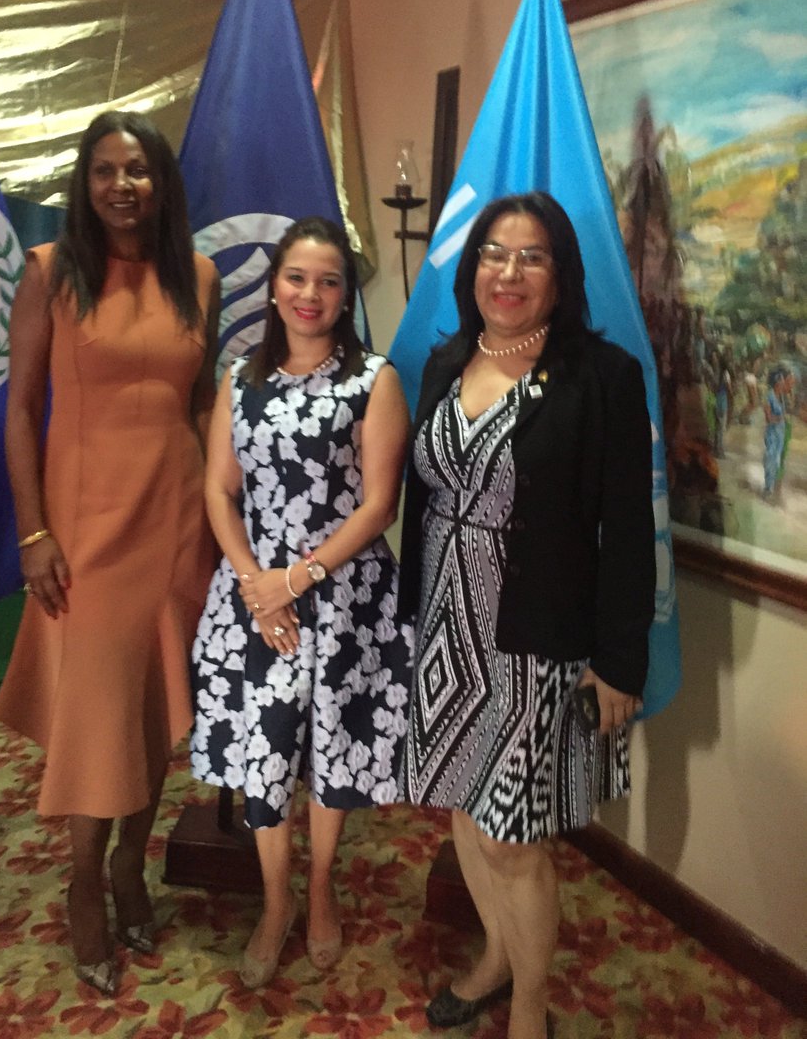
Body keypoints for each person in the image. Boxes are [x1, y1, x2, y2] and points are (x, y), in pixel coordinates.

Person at [397, 192, 655, 1039]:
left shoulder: (601, 377)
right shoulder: (446, 360)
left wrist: (619, 661)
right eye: (494, 254)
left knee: (514, 837)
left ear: (561, 274)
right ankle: (496, 961)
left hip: (533, 643)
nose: (508, 272)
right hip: (447, 631)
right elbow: (424, 498)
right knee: (464, 812)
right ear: (473, 268)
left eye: (532, 256)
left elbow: (628, 530)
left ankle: (531, 1005)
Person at [0, 111, 220, 995]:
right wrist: (33, 532)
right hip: (87, 532)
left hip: (177, 527)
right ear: (84, 184)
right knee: (97, 719)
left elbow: (200, 404)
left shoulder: (198, 275)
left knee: (153, 706)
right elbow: (20, 412)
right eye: (105, 170)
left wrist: (229, 514)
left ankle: (133, 863)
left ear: (161, 183)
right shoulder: (51, 271)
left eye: (138, 170)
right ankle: (84, 882)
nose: (122, 186)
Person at [190, 216, 413, 988]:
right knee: (266, 751)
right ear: (274, 286)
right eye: (296, 278)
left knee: (330, 748)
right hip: (256, 601)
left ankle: (320, 890)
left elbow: (379, 505)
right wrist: (258, 584)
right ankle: (275, 902)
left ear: (346, 294)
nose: (309, 293)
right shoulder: (239, 380)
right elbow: (219, 490)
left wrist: (298, 578)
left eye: (328, 281)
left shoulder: (373, 380)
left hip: (344, 597)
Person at [763, 364, 793, 500]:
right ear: (777, 381)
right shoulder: (769, 396)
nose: (784, 383)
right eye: (782, 380)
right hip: (772, 434)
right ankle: (767, 488)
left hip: (780, 433)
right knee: (771, 459)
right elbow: (768, 418)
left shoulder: (781, 397)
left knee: (776, 461)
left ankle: (770, 487)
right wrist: (780, 418)